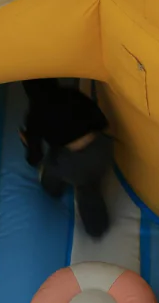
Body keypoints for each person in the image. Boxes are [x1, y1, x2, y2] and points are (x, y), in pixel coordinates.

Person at [19, 78, 113, 239]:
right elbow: (102, 121)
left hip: (76, 165)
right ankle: (97, 227)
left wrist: (27, 141)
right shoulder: (72, 94)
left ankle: (55, 191)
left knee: (58, 172)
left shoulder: (35, 113)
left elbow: (35, 157)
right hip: (102, 149)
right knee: (87, 180)